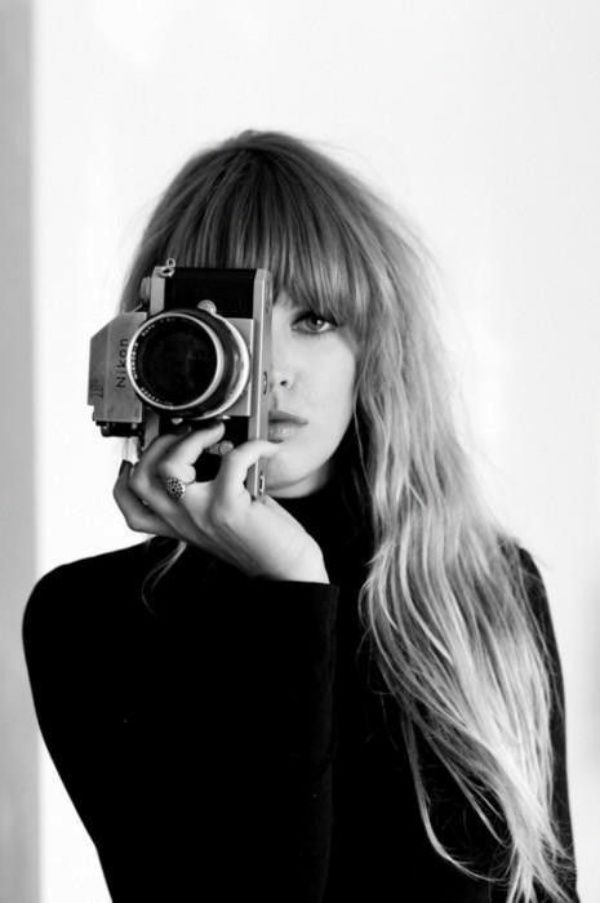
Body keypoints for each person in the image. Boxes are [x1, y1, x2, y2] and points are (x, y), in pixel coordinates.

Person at [22, 130, 579, 902]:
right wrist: (287, 588)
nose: (273, 368)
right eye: (235, 321)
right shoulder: (90, 618)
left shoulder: (482, 590)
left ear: (372, 348)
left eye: (315, 319)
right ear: (160, 345)